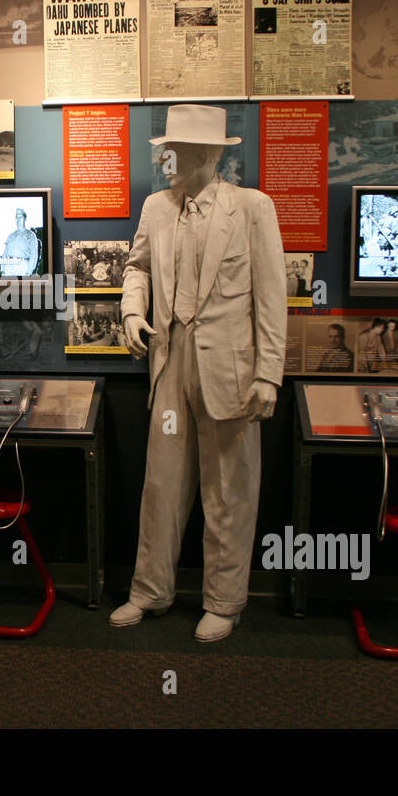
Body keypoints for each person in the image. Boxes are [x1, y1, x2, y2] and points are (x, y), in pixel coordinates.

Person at [114, 104, 287, 644]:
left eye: (179, 152)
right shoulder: (155, 209)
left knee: (229, 488)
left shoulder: (252, 208)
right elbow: (137, 267)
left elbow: (272, 296)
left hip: (229, 368)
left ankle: (225, 600)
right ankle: (150, 589)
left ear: (210, 156)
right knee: (162, 482)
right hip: (170, 361)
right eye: (165, 150)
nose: (167, 161)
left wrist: (269, 374)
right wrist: (131, 312)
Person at [0, 207, 39, 276]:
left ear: (25, 219)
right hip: (9, 267)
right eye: (16, 217)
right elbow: (5, 254)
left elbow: (34, 254)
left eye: (20, 217)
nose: (18, 220)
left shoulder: (31, 235)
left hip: (23, 266)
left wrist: (29, 272)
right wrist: (3, 269)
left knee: (21, 287)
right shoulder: (10, 236)